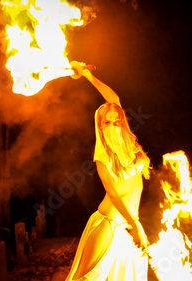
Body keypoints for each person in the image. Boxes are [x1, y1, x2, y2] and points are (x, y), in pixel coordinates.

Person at [65, 68, 151, 281]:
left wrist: (87, 74)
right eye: (107, 122)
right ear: (100, 126)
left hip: (127, 227)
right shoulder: (102, 155)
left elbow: (113, 98)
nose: (113, 125)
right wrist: (136, 225)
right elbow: (113, 193)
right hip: (108, 225)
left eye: (116, 121)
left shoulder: (128, 144)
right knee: (85, 278)